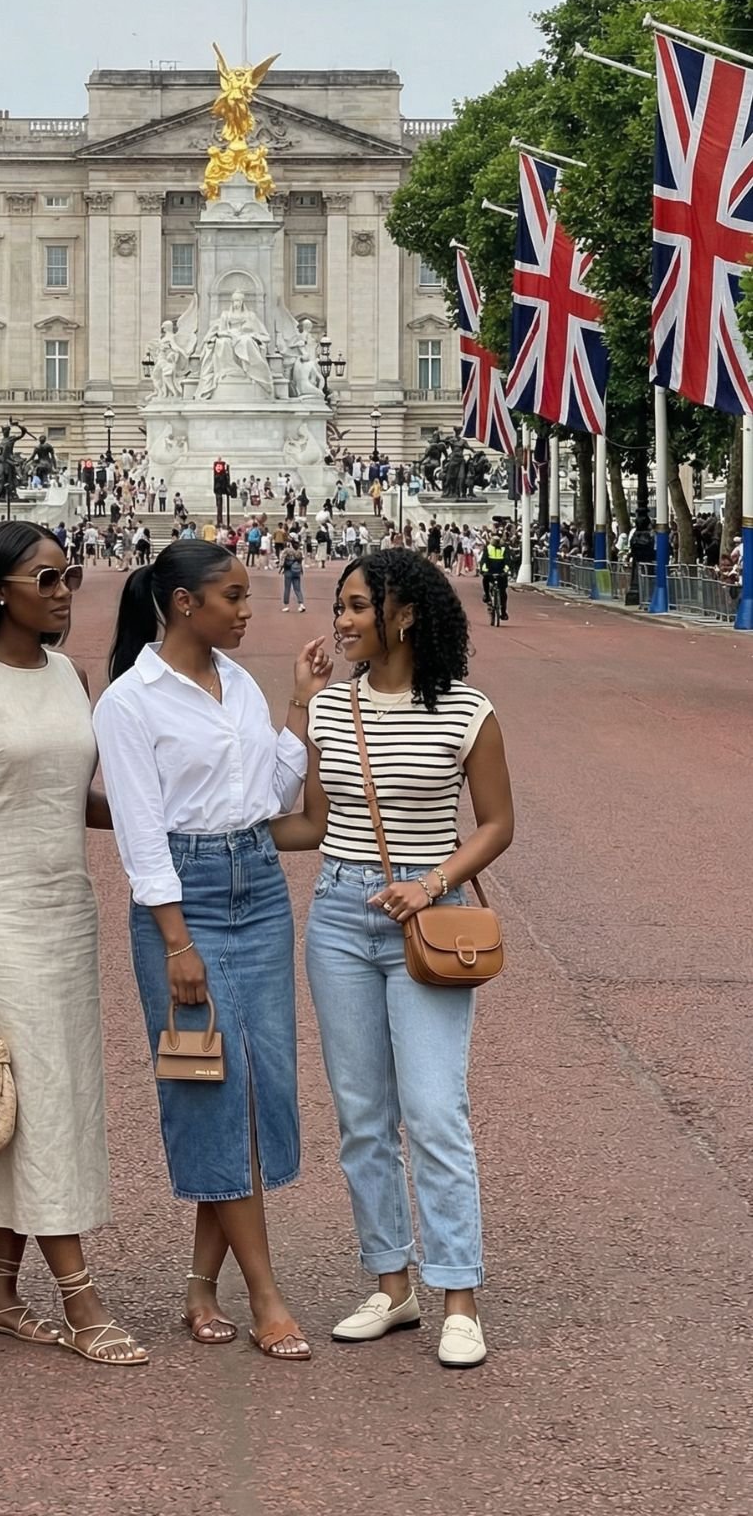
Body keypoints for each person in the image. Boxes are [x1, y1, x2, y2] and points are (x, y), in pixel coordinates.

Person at [274, 549, 514, 1368]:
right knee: (361, 1116)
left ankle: (458, 1295)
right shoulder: (332, 707)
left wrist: (432, 882)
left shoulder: (465, 711)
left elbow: (495, 825)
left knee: (435, 1108)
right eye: (338, 606)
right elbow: (304, 817)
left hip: (429, 913)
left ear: (402, 615)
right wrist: (297, 706)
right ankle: (390, 1283)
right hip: (340, 913)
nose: (338, 621)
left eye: (352, 607)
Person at [0, 521, 146, 1366]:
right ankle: (81, 1300)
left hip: (62, 909)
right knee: (43, 1094)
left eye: (69, 577)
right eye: (46, 578)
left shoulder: (68, 676)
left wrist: (179, 815)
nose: (63, 593)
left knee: (44, 1093)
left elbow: (72, 797)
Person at [93, 542, 333, 1360]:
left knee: (256, 1085)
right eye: (231, 596)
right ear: (184, 604)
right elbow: (138, 832)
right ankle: (266, 1293)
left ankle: (200, 1284)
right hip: (183, 898)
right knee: (208, 1085)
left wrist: (297, 707)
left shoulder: (237, 683)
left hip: (258, 885)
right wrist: (174, 942)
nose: (246, 608)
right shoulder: (129, 702)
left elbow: (268, 794)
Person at [479, 531, 510, 621]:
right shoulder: (488, 548)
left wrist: (505, 571)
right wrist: (484, 571)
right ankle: (487, 595)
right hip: (490, 572)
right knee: (485, 580)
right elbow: (484, 561)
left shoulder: (504, 549)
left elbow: (507, 562)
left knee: (503, 592)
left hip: (501, 573)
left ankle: (503, 612)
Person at [280, 538, 306, 614]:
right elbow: (301, 562)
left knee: (287, 588)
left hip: (288, 571)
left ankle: (286, 605)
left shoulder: (287, 551)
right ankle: (301, 604)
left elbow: (282, 560)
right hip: (297, 571)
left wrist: (281, 566)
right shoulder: (299, 552)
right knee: (298, 589)